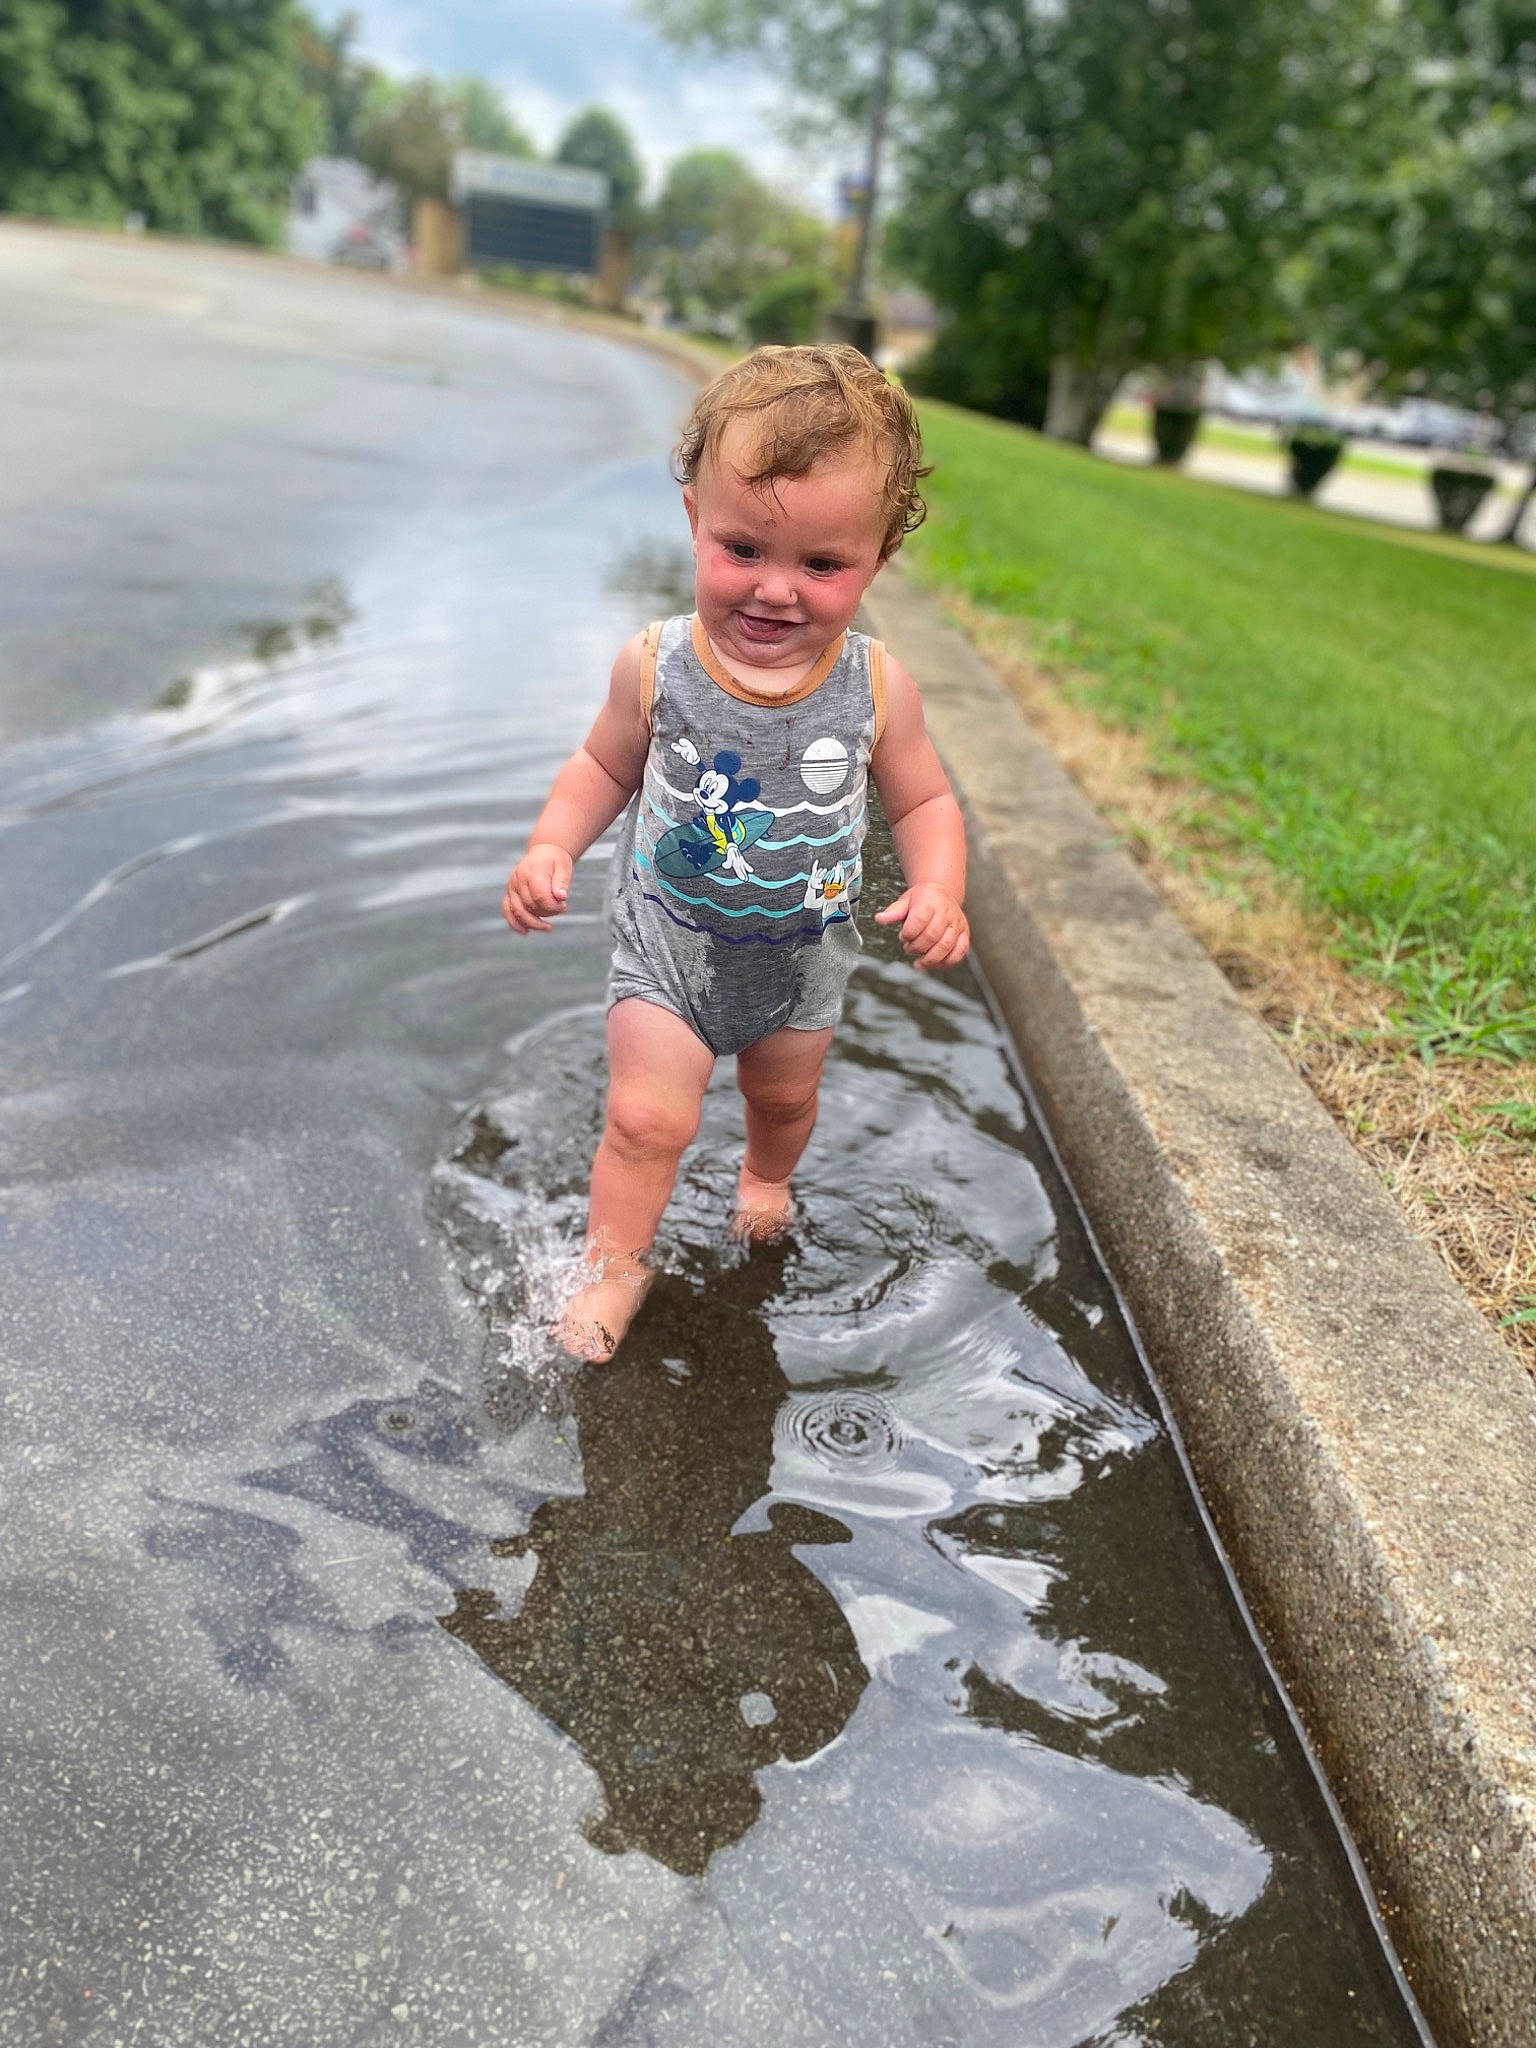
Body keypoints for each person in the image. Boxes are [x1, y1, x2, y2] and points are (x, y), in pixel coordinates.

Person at [502, 344, 969, 1360]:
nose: (776, 591)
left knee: (784, 1095)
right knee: (643, 1119)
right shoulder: (657, 666)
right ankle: (614, 1265)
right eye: (743, 549)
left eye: (822, 564)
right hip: (671, 947)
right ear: (693, 523)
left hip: (800, 962)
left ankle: (765, 1176)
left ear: (877, 559)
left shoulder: (878, 688)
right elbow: (600, 766)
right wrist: (552, 845)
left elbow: (925, 796)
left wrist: (940, 884)